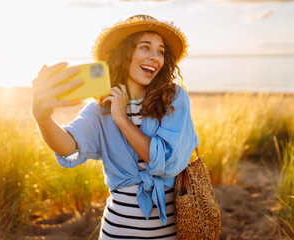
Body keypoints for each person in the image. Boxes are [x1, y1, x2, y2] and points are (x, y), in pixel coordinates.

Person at [32, 15, 199, 239]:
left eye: (160, 51)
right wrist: (42, 118)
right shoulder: (101, 108)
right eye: (145, 47)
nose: (155, 57)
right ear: (125, 53)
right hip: (116, 232)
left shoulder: (174, 99)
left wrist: (121, 119)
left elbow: (167, 162)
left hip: (168, 234)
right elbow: (67, 146)